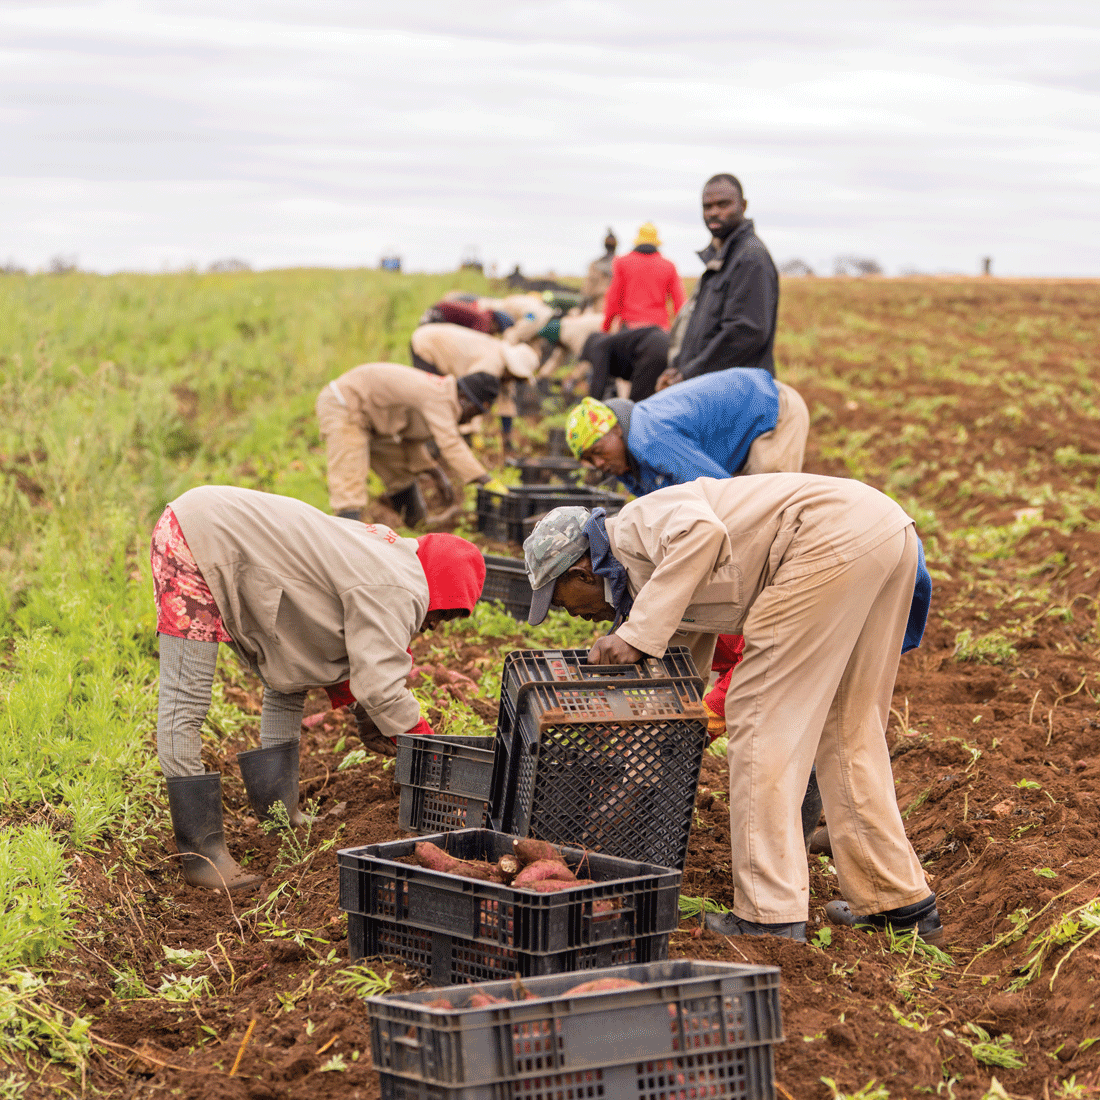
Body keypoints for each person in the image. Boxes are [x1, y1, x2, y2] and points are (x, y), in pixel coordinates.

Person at [521, 475, 940, 945]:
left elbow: (703, 533)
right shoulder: (653, 585)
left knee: (759, 720)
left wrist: (633, 635)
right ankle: (899, 903)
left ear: (581, 573)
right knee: (846, 730)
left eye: (560, 600)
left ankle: (769, 915)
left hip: (826, 539)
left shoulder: (636, 526)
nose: (570, 614)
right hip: (879, 532)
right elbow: (681, 671)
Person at [152, 485, 486, 892]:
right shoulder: (400, 588)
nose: (435, 626)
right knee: (185, 699)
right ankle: (202, 855)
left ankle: (280, 812)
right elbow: (382, 685)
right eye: (445, 615)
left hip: (226, 535)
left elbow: (330, 636)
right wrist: (430, 753)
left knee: (290, 671)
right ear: (444, 589)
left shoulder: (390, 555)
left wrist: (364, 714)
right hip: (196, 541)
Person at [315, 362, 504, 528]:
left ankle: (416, 523)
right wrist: (486, 480)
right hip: (344, 404)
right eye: (474, 411)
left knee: (398, 466)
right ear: (465, 398)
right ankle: (348, 536)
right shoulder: (440, 396)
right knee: (349, 475)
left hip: (372, 418)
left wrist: (433, 470)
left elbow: (410, 441)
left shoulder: (440, 395)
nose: (471, 418)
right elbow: (451, 443)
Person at [564, 371, 809, 496]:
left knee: (765, 508)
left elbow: (717, 490)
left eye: (597, 451)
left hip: (773, 410)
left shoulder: (647, 438)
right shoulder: (624, 461)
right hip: (743, 425)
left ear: (616, 429)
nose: (598, 464)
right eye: (589, 459)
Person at [657, 174, 779, 391]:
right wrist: (678, 368)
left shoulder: (750, 258)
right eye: (707, 206)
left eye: (723, 204)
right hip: (710, 389)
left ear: (743, 205)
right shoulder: (720, 259)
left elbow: (745, 332)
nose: (713, 212)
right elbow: (700, 329)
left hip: (737, 395)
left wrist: (689, 373)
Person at [408, 323, 539, 452]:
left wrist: (507, 437)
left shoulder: (503, 366)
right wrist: (469, 430)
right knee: (432, 396)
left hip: (439, 345)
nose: (515, 382)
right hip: (428, 344)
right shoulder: (491, 366)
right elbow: (469, 397)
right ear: (514, 372)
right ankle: (426, 442)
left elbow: (506, 402)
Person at [602, 223, 684, 333]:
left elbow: (613, 299)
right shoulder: (668, 266)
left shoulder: (622, 263)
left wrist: (605, 328)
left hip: (629, 328)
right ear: (657, 242)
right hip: (659, 330)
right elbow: (679, 303)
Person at [574, 326, 672, 402]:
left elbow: (599, 382)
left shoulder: (599, 346)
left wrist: (590, 407)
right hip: (663, 342)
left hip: (652, 347)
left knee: (637, 403)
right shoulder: (611, 342)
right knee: (651, 398)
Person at [582, 229, 617, 310]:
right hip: (617, 307)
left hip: (600, 306)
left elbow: (588, 289)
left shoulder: (595, 264)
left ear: (604, 245)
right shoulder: (622, 263)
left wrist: (581, 308)